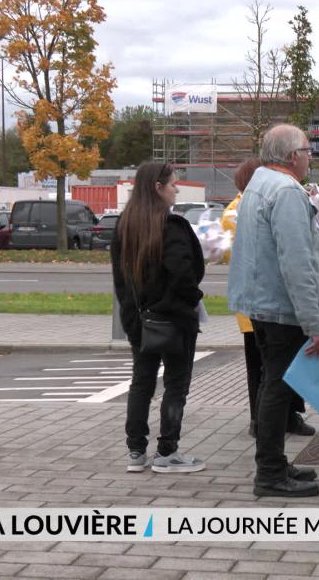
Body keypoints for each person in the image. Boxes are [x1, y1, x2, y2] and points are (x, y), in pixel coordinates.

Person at [228, 124, 319, 498]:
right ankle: (270, 473)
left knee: (274, 385)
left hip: (261, 304)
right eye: (308, 150)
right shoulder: (286, 191)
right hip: (282, 308)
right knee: (277, 387)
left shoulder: (259, 183)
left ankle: (272, 463)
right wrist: (315, 323)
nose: (310, 157)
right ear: (292, 156)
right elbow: (297, 263)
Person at [112, 162, 206, 474]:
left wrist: (130, 317)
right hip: (175, 320)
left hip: (139, 319)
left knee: (142, 382)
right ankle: (168, 451)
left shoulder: (124, 225)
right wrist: (193, 302)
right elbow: (183, 272)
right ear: (157, 187)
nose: (176, 189)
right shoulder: (171, 226)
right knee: (176, 384)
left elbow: (120, 279)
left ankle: (136, 451)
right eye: (173, 184)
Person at [222, 158, 315, 439]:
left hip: (276, 301)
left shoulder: (266, 198)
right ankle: (259, 420)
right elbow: (233, 252)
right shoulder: (236, 210)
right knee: (260, 368)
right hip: (258, 305)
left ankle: (290, 414)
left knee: (286, 365)